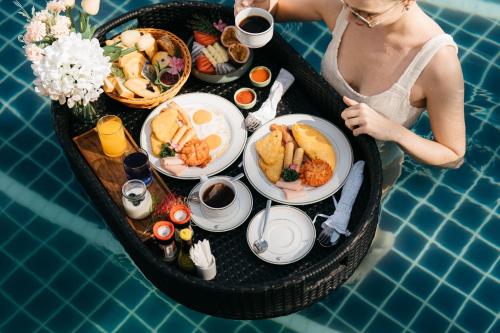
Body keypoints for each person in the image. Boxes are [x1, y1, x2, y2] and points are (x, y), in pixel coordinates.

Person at [235, 0, 466, 282]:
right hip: (308, 146)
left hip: (373, 166)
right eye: (350, 7)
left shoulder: (439, 64)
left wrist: (392, 130)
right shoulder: (348, 5)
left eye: (367, 16)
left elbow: (453, 155)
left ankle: (379, 244)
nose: (353, 19)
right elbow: (276, 9)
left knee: (347, 230)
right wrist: (256, 4)